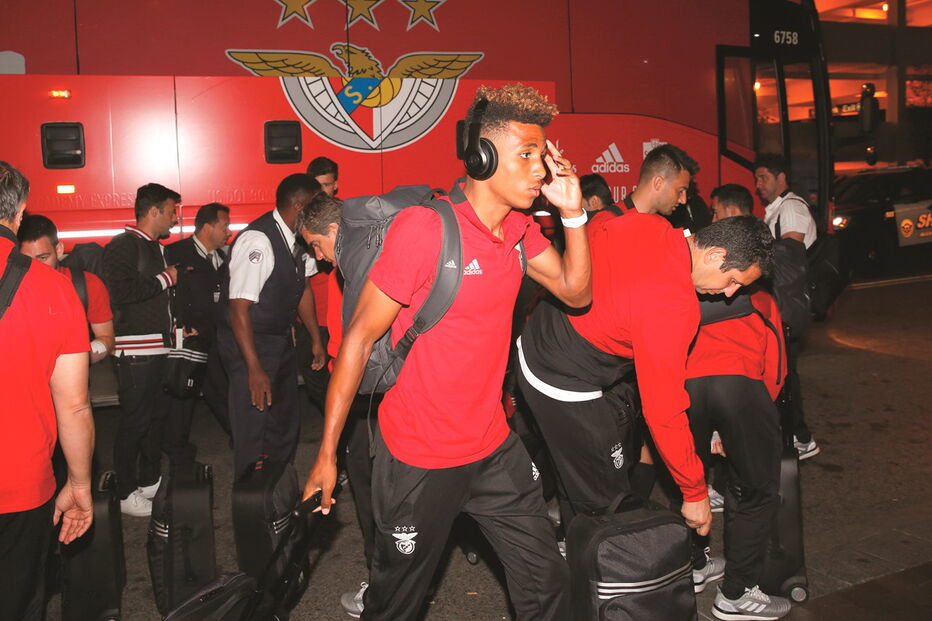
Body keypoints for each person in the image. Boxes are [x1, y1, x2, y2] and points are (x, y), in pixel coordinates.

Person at [303, 84, 591, 620]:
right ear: (482, 158)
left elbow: (577, 292)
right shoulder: (426, 229)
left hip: (492, 449)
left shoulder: (520, 230)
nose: (540, 170)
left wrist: (573, 216)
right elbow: (360, 339)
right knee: (398, 602)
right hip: (417, 458)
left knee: (547, 582)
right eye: (526, 155)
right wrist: (326, 453)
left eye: (541, 156)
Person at [517, 172, 774, 538]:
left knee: (582, 474)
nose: (731, 294)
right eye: (733, 280)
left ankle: (572, 536)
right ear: (716, 254)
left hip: (537, 334)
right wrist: (694, 490)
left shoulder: (648, 224)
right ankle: (588, 579)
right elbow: (664, 411)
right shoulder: (676, 308)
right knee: (603, 500)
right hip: (561, 377)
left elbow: (595, 229)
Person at [0, 161, 95, 620]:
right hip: (19, 486)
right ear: (18, 213)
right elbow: (74, 405)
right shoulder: (53, 289)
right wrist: (79, 482)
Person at [296, 192, 384, 616]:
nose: (319, 257)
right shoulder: (361, 259)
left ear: (334, 229)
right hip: (371, 393)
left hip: (369, 398)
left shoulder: (356, 267)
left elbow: (356, 343)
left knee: (372, 498)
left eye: (316, 245)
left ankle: (384, 588)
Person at [686, 287, 792, 619]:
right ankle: (736, 593)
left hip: (684, 387)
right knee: (756, 491)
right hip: (738, 384)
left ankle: (696, 564)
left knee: (693, 481)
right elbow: (775, 371)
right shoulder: (758, 296)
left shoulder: (683, 291)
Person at [218, 174, 325, 477]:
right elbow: (238, 309)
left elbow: (302, 289)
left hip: (279, 340)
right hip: (249, 343)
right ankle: (252, 501)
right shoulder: (258, 240)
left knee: (285, 423)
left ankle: (277, 489)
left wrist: (316, 339)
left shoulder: (300, 240)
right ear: (299, 205)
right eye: (316, 204)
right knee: (254, 427)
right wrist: (253, 369)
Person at [102, 183, 185, 516]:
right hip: (134, 350)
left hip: (157, 347)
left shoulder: (155, 247)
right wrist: (167, 278)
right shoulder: (123, 246)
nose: (175, 219)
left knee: (154, 418)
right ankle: (124, 493)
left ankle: (149, 480)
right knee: (135, 421)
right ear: (153, 212)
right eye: (171, 211)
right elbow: (120, 293)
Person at [753, 154, 819, 460]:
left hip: (786, 306)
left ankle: (800, 438)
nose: (758, 185)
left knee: (786, 376)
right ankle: (797, 436)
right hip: (783, 304)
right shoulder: (778, 209)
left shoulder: (791, 208)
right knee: (785, 373)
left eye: (763, 178)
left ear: (782, 178)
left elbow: (790, 257)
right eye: (757, 179)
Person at [164, 203, 233, 437]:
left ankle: (244, 445)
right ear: (207, 227)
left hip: (218, 339)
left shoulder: (225, 257)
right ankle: (177, 452)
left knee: (223, 393)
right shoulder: (175, 254)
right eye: (225, 226)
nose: (229, 232)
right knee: (181, 401)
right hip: (190, 343)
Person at [18, 214, 115, 363]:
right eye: (27, 261)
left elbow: (106, 338)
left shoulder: (87, 285)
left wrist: (79, 358)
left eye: (43, 258)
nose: (36, 268)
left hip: (71, 377)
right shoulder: (10, 288)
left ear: (59, 249)